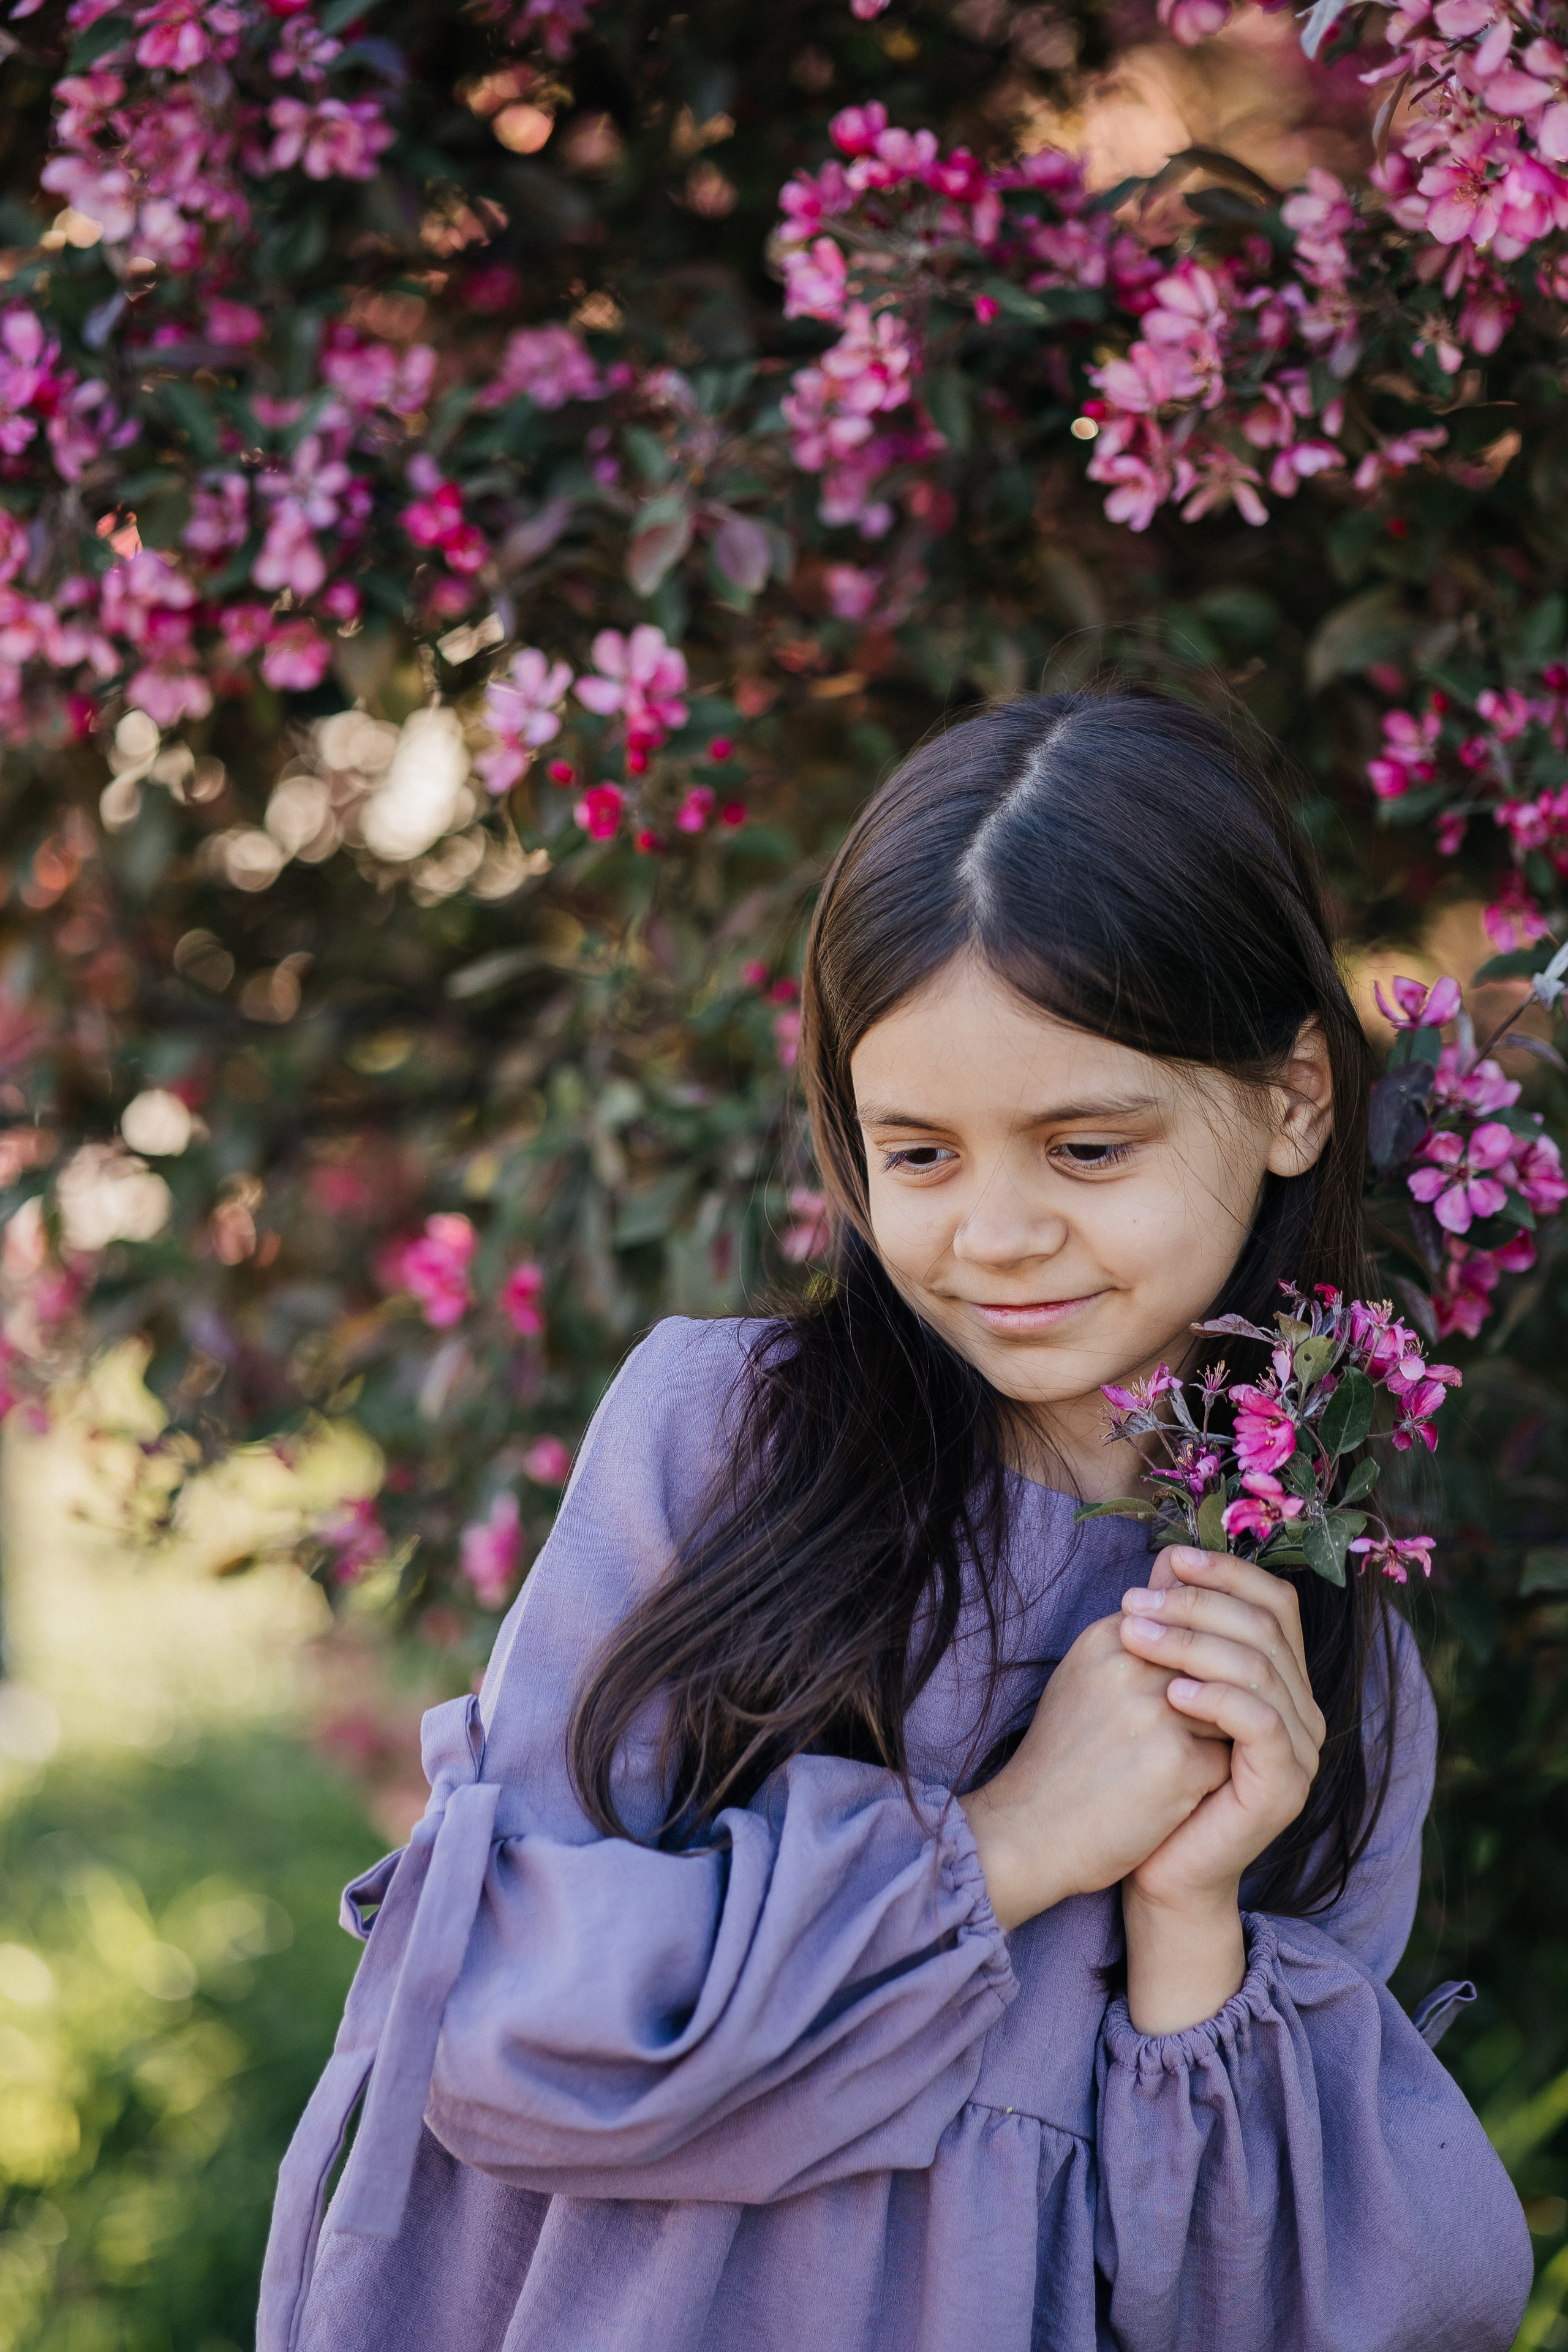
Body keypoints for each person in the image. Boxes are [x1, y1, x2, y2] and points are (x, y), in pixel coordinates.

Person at [260, 692, 1532, 2352]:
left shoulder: (1323, 1670)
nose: (996, 1234)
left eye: (1085, 1147)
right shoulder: (729, 1446)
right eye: (919, 1152)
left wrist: (1188, 1914)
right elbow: (494, 2029)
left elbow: (1291, 2312)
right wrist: (1004, 1852)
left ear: (1297, 1098)